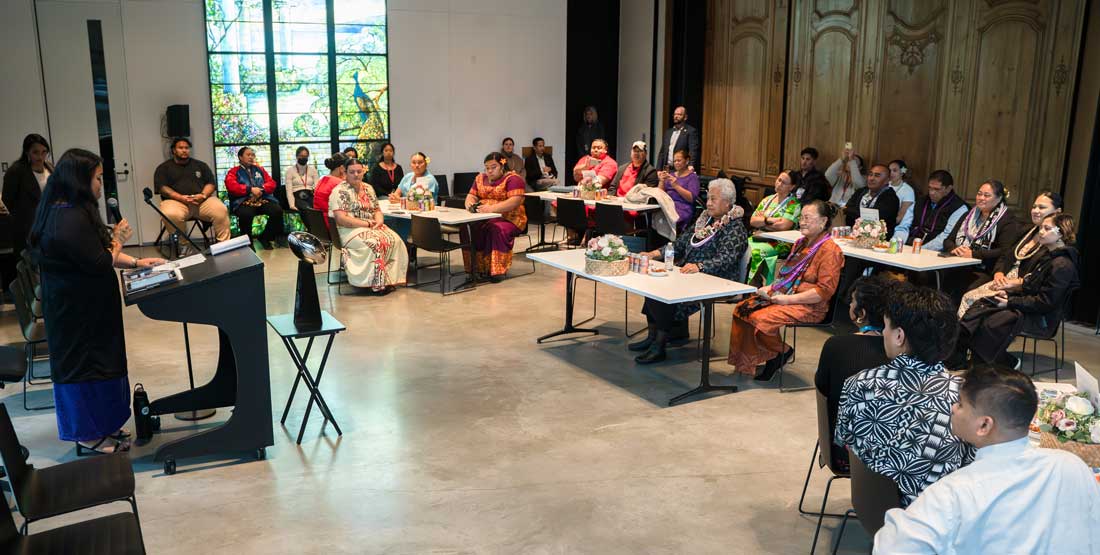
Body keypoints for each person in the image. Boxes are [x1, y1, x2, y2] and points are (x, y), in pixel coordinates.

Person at [874, 365, 1100, 555]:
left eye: (960, 403)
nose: (953, 408)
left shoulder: (952, 494)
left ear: (984, 425)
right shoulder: (1071, 465)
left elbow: (889, 549)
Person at [28, 149, 165, 454]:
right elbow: (101, 260)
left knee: (105, 365)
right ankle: (88, 434)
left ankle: (106, 425)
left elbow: (98, 252)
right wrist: (119, 239)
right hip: (75, 312)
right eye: (98, 178)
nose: (102, 185)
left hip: (91, 308)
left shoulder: (75, 209)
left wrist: (136, 263)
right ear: (80, 180)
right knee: (87, 371)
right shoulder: (67, 218)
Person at [835, 284, 974, 507]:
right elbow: (972, 463)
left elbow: (844, 440)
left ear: (899, 336)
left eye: (886, 327)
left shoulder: (859, 382)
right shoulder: (964, 398)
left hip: (870, 505)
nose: (882, 332)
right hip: (934, 518)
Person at [629, 179, 748, 363]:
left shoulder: (735, 227)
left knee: (666, 291)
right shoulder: (704, 220)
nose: (708, 203)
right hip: (690, 271)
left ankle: (659, 345)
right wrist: (655, 253)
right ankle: (653, 336)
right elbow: (681, 243)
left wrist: (700, 266)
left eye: (713, 199)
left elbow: (727, 258)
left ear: (728, 203)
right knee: (652, 284)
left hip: (715, 277)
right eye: (708, 198)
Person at [728, 200, 844, 380]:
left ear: (823, 222)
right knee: (742, 309)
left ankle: (782, 352)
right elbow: (786, 275)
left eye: (808, 218)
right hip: (786, 295)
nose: (802, 222)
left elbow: (824, 292)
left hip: (810, 306)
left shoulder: (830, 251)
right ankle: (756, 360)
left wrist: (787, 300)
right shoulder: (801, 242)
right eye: (801, 217)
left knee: (759, 319)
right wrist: (771, 288)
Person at [954, 214, 1079, 369]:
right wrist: (1009, 293)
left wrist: (1010, 302)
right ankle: (962, 354)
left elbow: (1045, 302)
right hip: (1028, 307)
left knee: (992, 319)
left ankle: (1001, 362)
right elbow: (1031, 284)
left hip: (1040, 318)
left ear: (1061, 233)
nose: (1041, 232)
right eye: (1041, 228)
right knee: (982, 305)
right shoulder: (1049, 256)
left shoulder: (1062, 265)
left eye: (1047, 229)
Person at [813, 274, 892, 470]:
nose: (849, 305)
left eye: (852, 302)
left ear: (861, 313)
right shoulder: (902, 353)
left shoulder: (836, 346)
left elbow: (823, 390)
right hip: (890, 460)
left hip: (843, 454)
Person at [957, 191, 1063, 318]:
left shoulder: (1054, 244)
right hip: (1003, 280)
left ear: (1057, 212)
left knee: (976, 302)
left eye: (1042, 207)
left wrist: (1016, 283)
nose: (1035, 211)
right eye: (1034, 207)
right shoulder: (1026, 230)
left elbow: (1040, 280)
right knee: (967, 295)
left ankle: (968, 335)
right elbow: (1005, 255)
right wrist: (999, 273)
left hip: (1022, 291)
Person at [330, 157, 408, 291]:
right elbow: (341, 219)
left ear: (363, 172)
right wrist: (366, 224)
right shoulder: (339, 191)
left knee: (396, 240)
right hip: (349, 230)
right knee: (375, 243)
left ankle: (390, 280)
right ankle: (374, 284)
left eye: (359, 171)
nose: (356, 175)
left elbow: (376, 210)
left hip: (372, 226)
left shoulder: (368, 188)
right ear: (345, 172)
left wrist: (380, 220)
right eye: (352, 172)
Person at [941, 180, 1024, 300]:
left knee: (964, 287)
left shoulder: (1007, 220)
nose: (981, 198)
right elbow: (948, 240)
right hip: (959, 263)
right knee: (936, 278)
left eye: (987, 195)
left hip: (985, 269)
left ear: (999, 198)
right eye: (979, 194)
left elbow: (1005, 251)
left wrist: (974, 254)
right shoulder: (969, 215)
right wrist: (955, 249)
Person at [153, 137, 232, 244]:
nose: (184, 150)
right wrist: (180, 198)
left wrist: (203, 195)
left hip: (201, 201)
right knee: (170, 214)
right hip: (176, 202)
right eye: (181, 148)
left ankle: (224, 244)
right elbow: (163, 188)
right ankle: (183, 245)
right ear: (174, 150)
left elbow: (211, 184)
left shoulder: (200, 165)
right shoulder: (163, 168)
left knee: (221, 209)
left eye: (187, 148)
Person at [462, 152, 527, 282]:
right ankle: (475, 268)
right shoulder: (480, 178)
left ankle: (497, 271)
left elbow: (515, 201)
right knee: (467, 227)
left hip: (510, 219)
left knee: (496, 228)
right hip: (484, 217)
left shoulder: (513, 179)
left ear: (502, 166)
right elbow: (471, 195)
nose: (489, 171)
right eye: (487, 167)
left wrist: (491, 209)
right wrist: (469, 204)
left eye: (493, 167)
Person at [746, 170, 801, 283]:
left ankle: (751, 286)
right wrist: (770, 220)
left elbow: (783, 226)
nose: (779, 184)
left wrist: (762, 221)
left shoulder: (794, 204)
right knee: (741, 246)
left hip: (780, 242)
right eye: (779, 180)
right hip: (760, 237)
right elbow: (752, 221)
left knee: (755, 251)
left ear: (792, 187)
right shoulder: (767, 199)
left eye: (784, 183)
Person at [3, 134, 53, 259]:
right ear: (27, 152)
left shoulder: (50, 168)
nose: (40, 156)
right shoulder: (16, 171)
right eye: (35, 152)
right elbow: (7, 201)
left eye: (44, 152)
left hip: (50, 226)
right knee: (32, 268)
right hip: (28, 229)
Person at [225, 146, 284, 249]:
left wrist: (261, 189)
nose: (251, 157)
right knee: (246, 214)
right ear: (240, 157)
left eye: (253, 155)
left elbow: (272, 183)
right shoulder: (234, 171)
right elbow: (231, 186)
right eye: (248, 155)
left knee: (277, 211)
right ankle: (247, 243)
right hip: (243, 201)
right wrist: (250, 190)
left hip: (262, 199)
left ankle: (265, 237)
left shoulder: (260, 169)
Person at [896, 169, 968, 251]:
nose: (931, 193)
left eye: (937, 189)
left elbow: (946, 237)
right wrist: (897, 244)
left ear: (949, 189)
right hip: (911, 244)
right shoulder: (921, 201)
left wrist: (920, 250)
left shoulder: (959, 208)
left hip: (935, 251)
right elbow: (903, 226)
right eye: (930, 188)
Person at [387, 152, 439, 241]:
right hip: (405, 212)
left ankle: (401, 247)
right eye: (414, 162)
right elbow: (397, 193)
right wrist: (393, 197)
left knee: (394, 223)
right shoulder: (408, 176)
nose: (417, 165)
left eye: (420, 162)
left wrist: (400, 200)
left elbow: (419, 202)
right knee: (386, 219)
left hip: (423, 215)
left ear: (426, 164)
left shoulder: (429, 179)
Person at [843, 163, 900, 236]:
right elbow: (847, 208)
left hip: (879, 241)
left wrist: (852, 211)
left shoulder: (891, 198)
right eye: (870, 174)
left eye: (877, 176)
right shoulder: (860, 191)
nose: (871, 178)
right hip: (852, 234)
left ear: (887, 180)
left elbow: (875, 219)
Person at [654, 149, 699, 232]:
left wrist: (676, 186)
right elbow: (660, 194)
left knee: (665, 219)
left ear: (687, 160)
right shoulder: (670, 175)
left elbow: (691, 198)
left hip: (683, 208)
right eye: (675, 161)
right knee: (652, 217)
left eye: (679, 160)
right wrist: (661, 181)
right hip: (667, 205)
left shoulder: (692, 177)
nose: (676, 163)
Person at [656, 106, 701, 171]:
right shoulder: (668, 132)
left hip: (681, 169)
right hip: (667, 168)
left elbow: (693, 150)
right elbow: (662, 152)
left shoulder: (691, 131)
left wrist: (691, 164)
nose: (676, 116)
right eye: (675, 114)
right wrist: (658, 169)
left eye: (679, 114)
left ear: (685, 117)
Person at [313, 152, 347, 230]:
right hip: (333, 224)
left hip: (321, 225)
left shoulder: (323, 179)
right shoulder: (339, 183)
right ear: (342, 168)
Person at [887, 159, 916, 242]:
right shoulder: (884, 185)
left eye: (894, 170)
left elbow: (902, 215)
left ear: (903, 172)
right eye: (889, 170)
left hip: (895, 225)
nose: (891, 173)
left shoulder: (908, 190)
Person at [284, 145, 319, 211]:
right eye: (302, 156)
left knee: (316, 208)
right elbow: (289, 190)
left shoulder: (313, 170)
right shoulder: (290, 171)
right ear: (297, 156)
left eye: (306, 156)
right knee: (307, 209)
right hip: (297, 197)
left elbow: (317, 187)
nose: (304, 158)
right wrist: (292, 205)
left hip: (310, 195)